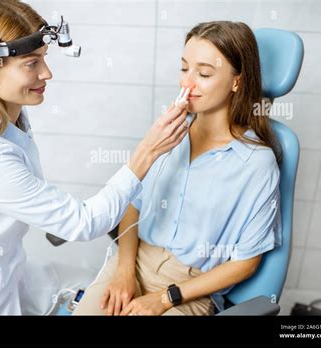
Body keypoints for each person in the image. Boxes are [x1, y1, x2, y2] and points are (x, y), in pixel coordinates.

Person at [0, 0, 189, 315]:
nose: (48, 73)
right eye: (32, 63)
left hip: (5, 275)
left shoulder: (9, 121)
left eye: (44, 58)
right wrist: (147, 151)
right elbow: (83, 224)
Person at [73, 21, 282, 316]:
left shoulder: (256, 164)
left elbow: (246, 262)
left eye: (204, 73)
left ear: (237, 81)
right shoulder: (170, 131)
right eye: (184, 69)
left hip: (190, 288)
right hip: (133, 261)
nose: (188, 83)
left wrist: (165, 298)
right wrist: (123, 271)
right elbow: (132, 203)